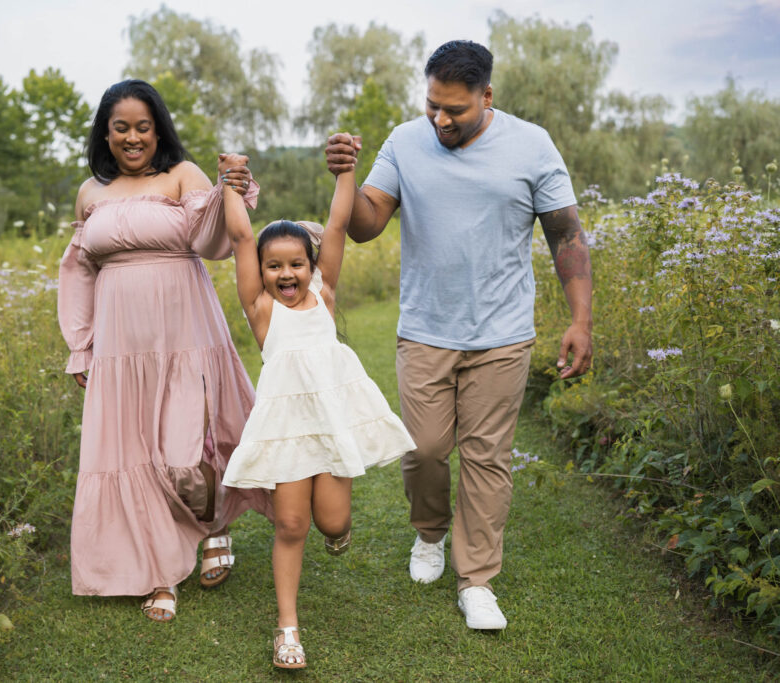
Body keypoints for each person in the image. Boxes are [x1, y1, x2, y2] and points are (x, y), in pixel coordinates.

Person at [325, 40, 593, 631]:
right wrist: (345, 177)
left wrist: (580, 320)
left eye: (455, 110)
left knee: (487, 458)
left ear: (486, 96)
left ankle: (477, 581)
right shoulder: (405, 140)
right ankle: (429, 534)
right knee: (422, 450)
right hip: (425, 329)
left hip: (502, 332)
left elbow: (565, 233)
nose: (441, 120)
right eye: (432, 107)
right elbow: (368, 223)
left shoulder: (531, 144)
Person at [57, 79, 271, 622]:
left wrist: (232, 187)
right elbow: (79, 272)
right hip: (119, 347)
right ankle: (160, 573)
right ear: (105, 134)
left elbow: (215, 242)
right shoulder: (90, 192)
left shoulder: (183, 176)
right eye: (121, 127)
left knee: (184, 455)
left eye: (143, 127)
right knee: (132, 456)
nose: (132, 138)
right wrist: (81, 347)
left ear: (159, 131)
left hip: (185, 335)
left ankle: (215, 524)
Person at [218, 152, 416, 668]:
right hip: (288, 431)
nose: (286, 274)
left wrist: (346, 172)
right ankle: (287, 630)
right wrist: (230, 186)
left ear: (312, 267)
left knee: (331, 522)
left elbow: (335, 224)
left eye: (296, 264)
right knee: (290, 526)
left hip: (330, 422)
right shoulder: (260, 310)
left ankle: (339, 530)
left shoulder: (324, 296)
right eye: (274, 266)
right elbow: (241, 237)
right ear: (260, 272)